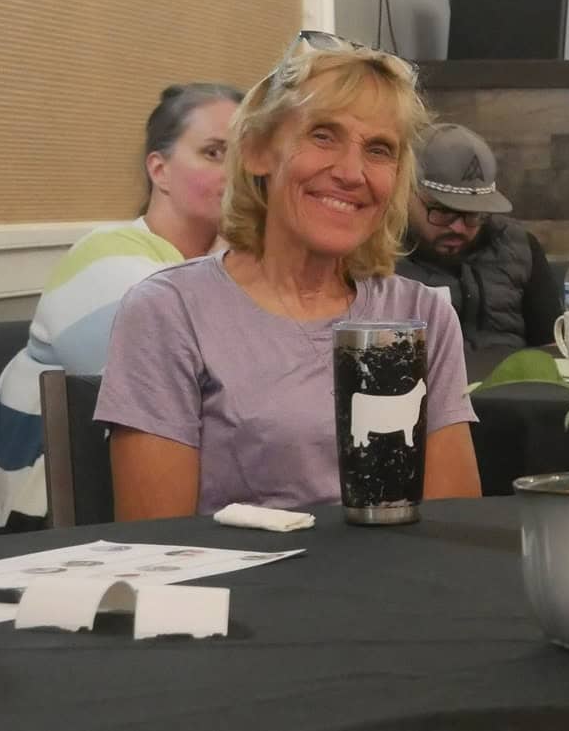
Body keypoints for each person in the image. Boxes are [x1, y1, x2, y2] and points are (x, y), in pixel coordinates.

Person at [96, 32, 482, 520]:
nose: (352, 172)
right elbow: (158, 543)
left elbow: (453, 526)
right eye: (323, 135)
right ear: (257, 150)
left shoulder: (421, 316)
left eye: (379, 150)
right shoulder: (169, 311)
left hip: (397, 569)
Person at [0, 83, 240, 534]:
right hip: (48, 528)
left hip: (167, 512)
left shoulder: (225, 265)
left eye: (247, 155)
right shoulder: (104, 256)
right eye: (214, 153)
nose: (237, 173)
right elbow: (219, 383)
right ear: (159, 169)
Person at [395, 123, 561, 351]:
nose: (459, 227)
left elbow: (551, 349)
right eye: (442, 211)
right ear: (406, 190)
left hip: (511, 373)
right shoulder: (376, 255)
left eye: (474, 214)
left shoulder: (521, 248)